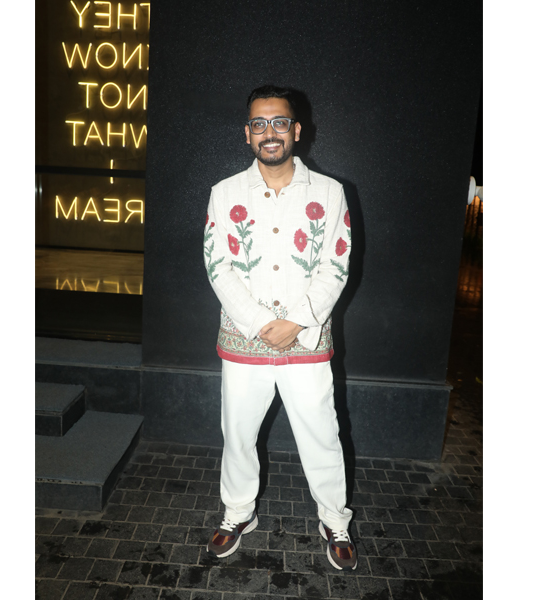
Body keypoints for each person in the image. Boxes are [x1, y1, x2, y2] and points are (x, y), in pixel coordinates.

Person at [202, 85, 356, 571]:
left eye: (279, 122)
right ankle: (237, 513)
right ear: (247, 133)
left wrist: (297, 322)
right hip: (244, 342)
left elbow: (336, 265)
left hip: (306, 343)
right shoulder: (224, 193)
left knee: (322, 435)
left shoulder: (330, 193)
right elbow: (217, 266)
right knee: (238, 435)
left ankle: (334, 519)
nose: (270, 132)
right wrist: (260, 323)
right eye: (260, 124)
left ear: (296, 130)